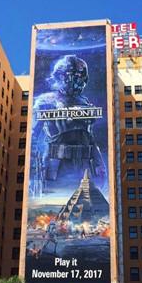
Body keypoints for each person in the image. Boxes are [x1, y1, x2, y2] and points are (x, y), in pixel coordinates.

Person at [32, 55, 106, 190]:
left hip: (84, 166)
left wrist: (99, 164)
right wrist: (34, 172)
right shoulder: (45, 102)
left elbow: (90, 137)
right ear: (61, 76)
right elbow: (32, 136)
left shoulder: (85, 102)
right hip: (57, 167)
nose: (79, 82)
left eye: (81, 77)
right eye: (75, 76)